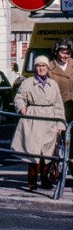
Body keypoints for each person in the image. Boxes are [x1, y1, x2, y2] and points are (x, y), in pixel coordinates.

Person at [11, 56, 65, 191]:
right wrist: (22, 108)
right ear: (35, 67)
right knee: (33, 152)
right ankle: (32, 181)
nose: (41, 68)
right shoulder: (28, 82)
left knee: (48, 153)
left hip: (49, 119)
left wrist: (60, 124)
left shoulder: (53, 84)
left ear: (47, 68)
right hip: (33, 118)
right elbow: (19, 98)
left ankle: (45, 178)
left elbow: (58, 105)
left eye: (44, 66)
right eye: (38, 66)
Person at [48, 37, 73, 123]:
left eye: (68, 53)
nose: (66, 56)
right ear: (56, 51)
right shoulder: (48, 67)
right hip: (57, 110)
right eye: (63, 53)